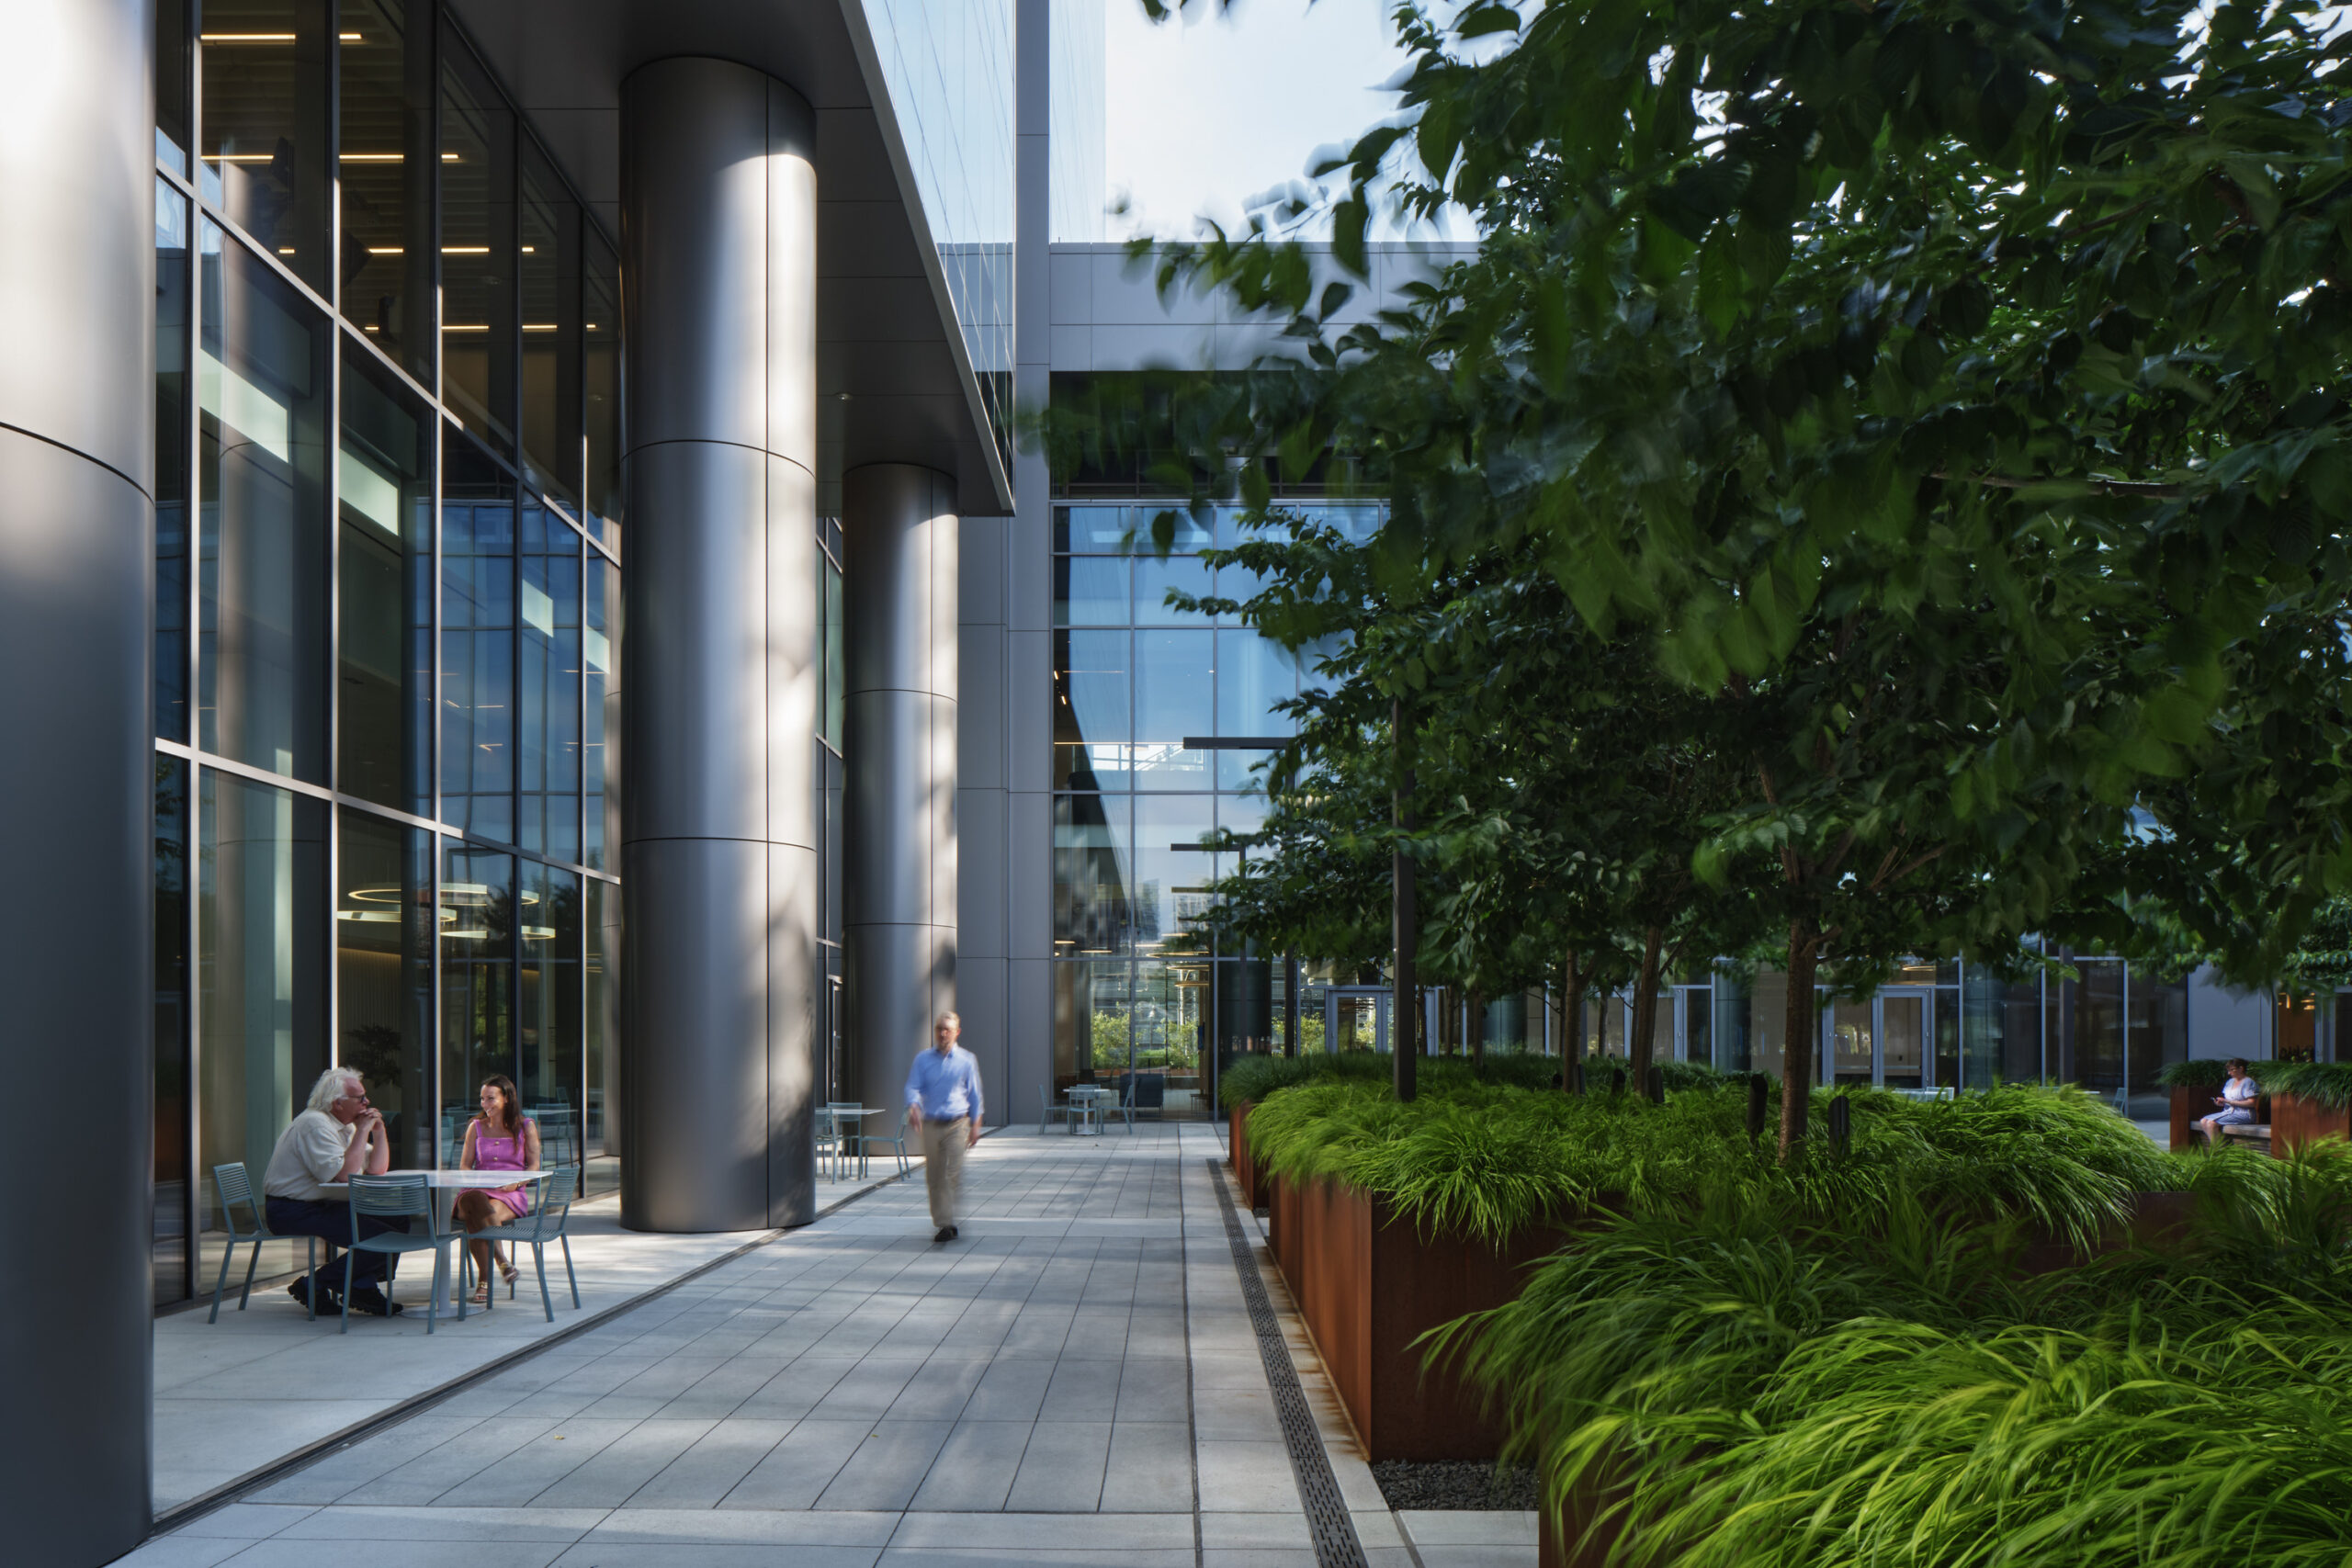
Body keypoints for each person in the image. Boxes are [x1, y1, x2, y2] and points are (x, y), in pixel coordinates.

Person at [262, 1066, 407, 1315]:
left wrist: (379, 1132)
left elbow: (376, 1170)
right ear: (337, 1103)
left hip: (324, 1204)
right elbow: (342, 1177)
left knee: (397, 1221)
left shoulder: (344, 1125)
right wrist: (362, 1131)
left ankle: (360, 1284)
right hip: (291, 1210)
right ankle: (319, 1284)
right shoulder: (314, 1125)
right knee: (379, 1238)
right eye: (360, 1097)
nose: (367, 1102)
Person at [455, 1075, 540, 1304]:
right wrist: (474, 1179)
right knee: (474, 1201)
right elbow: (464, 1165)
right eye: (482, 1099)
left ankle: (484, 1282)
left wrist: (516, 1184)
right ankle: (503, 1261)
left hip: (509, 1193)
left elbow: (533, 1166)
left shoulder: (525, 1126)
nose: (485, 1104)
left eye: (491, 1099)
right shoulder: (476, 1126)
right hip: (475, 1191)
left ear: (506, 1099)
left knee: (478, 1219)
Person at [904, 1010, 984, 1244]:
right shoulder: (923, 1060)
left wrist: (976, 1125)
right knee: (934, 1176)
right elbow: (912, 1087)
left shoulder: (967, 1060)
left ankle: (946, 1224)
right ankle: (944, 1222)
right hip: (931, 1124)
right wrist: (913, 1106)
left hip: (958, 1124)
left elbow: (975, 1096)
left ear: (957, 1032)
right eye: (939, 1029)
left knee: (952, 1174)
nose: (942, 1033)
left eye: (947, 1029)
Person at [2196, 1057, 2262, 1147]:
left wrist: (2228, 1101)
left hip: (2244, 1114)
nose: (2229, 1073)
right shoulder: (2230, 1082)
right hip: (2228, 1112)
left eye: (2232, 1070)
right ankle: (2217, 1146)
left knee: (2211, 1123)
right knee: (2203, 1121)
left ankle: (2216, 1150)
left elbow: (2252, 1103)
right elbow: (2228, 1101)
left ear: (2241, 1069)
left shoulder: (2249, 1082)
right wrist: (2222, 1103)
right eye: (2228, 1070)